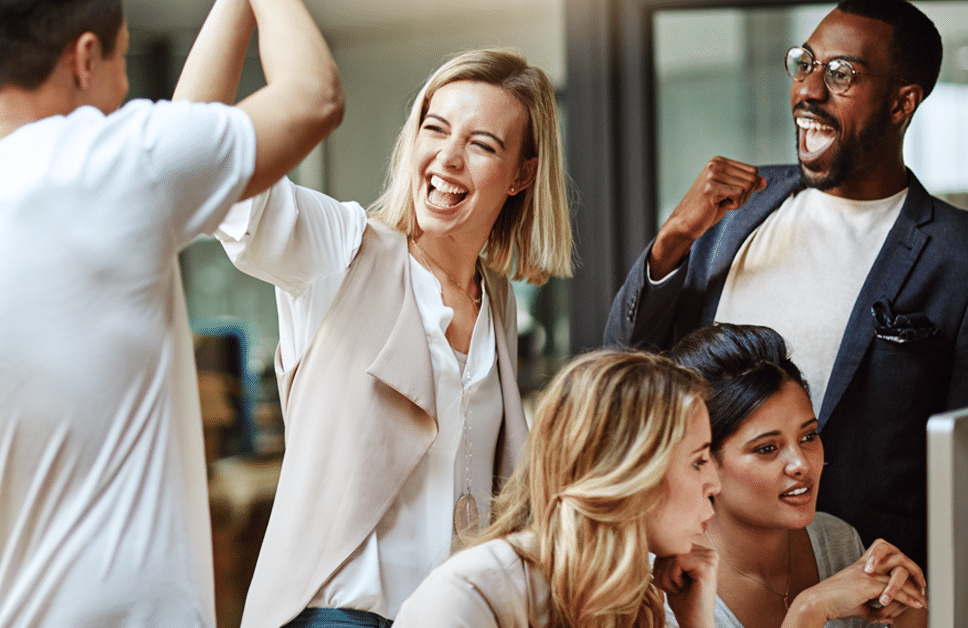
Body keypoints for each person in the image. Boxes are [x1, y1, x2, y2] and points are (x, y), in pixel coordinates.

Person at [0, 0, 343, 625]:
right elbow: (313, 97)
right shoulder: (120, 168)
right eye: (122, 60)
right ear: (83, 59)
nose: (127, 89)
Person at [174, 18, 575, 625]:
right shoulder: (342, 247)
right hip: (338, 615)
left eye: (482, 144)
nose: (447, 157)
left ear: (521, 175)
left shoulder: (497, 299)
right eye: (434, 129)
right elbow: (194, 156)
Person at [604, 0, 968, 567]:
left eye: (841, 73)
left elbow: (960, 468)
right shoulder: (731, 209)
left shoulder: (956, 253)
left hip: (858, 578)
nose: (809, 90)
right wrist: (672, 239)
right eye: (805, 63)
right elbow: (625, 363)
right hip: (691, 566)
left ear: (903, 103)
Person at [391, 350, 721, 628]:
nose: (715, 484)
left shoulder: (637, 603)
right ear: (627, 471)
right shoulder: (470, 593)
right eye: (698, 461)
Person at [669, 323, 927, 628]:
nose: (801, 464)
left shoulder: (838, 541)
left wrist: (909, 609)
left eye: (808, 436)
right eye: (767, 448)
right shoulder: (664, 586)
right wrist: (809, 610)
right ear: (702, 461)